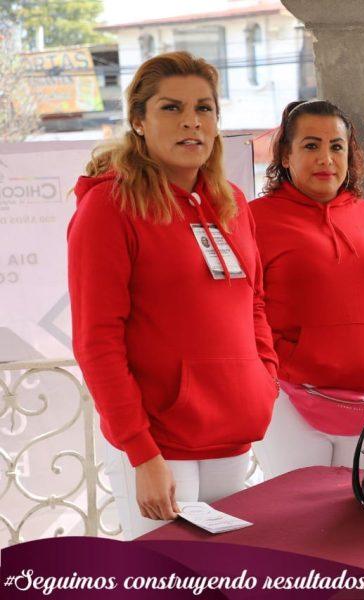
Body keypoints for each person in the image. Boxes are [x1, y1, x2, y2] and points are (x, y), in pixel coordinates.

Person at [68, 52, 280, 539]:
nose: (191, 121)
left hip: (232, 437)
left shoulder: (232, 203)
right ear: (138, 121)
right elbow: (97, 341)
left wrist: (262, 380)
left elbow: (255, 303)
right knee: (165, 583)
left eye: (204, 108)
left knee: (224, 579)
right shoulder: (109, 206)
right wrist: (141, 453)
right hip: (159, 445)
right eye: (171, 108)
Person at [250, 100, 364, 476]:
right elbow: (246, 307)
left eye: (336, 146)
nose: (325, 158)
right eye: (311, 146)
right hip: (288, 398)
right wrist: (286, 359)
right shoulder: (254, 219)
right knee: (298, 522)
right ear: (286, 156)